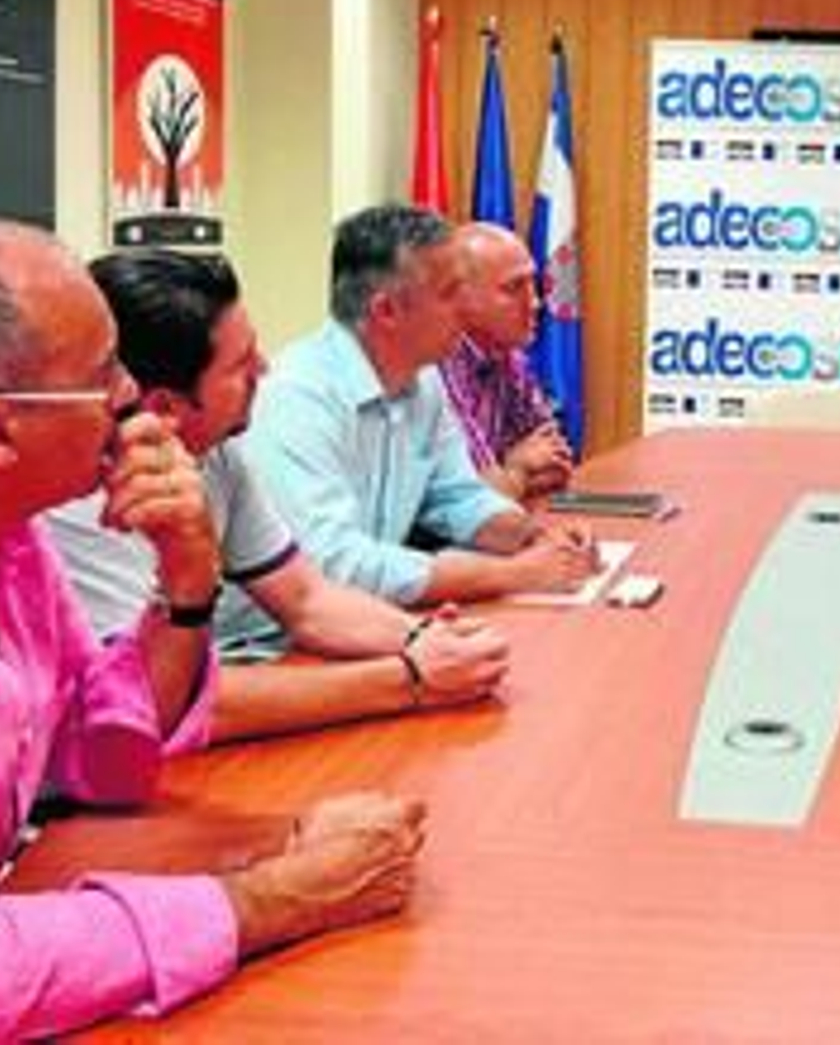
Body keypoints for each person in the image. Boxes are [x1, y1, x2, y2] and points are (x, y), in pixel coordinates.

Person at [0, 220, 427, 1037]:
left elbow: (105, 758)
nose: (133, 395)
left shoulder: (12, 543)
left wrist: (187, 580)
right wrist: (279, 895)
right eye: (103, 376)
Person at [44, 249, 511, 744]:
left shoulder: (216, 451)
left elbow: (308, 599)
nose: (264, 371)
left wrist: (423, 639)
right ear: (165, 407)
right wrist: (411, 678)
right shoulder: (79, 499)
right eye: (241, 364)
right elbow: (162, 705)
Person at [247, 203, 599, 604]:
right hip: (268, 647)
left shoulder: (422, 380)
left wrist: (534, 536)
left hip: (364, 620)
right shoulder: (296, 398)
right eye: (450, 293)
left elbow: (459, 497)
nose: (464, 309)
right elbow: (333, 566)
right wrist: (512, 574)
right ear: (387, 311)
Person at [440, 222, 573, 500]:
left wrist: (511, 476)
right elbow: (471, 503)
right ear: (461, 297)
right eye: (514, 288)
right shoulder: (437, 363)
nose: (535, 303)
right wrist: (516, 469)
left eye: (532, 284)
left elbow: (555, 463)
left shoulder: (510, 357)